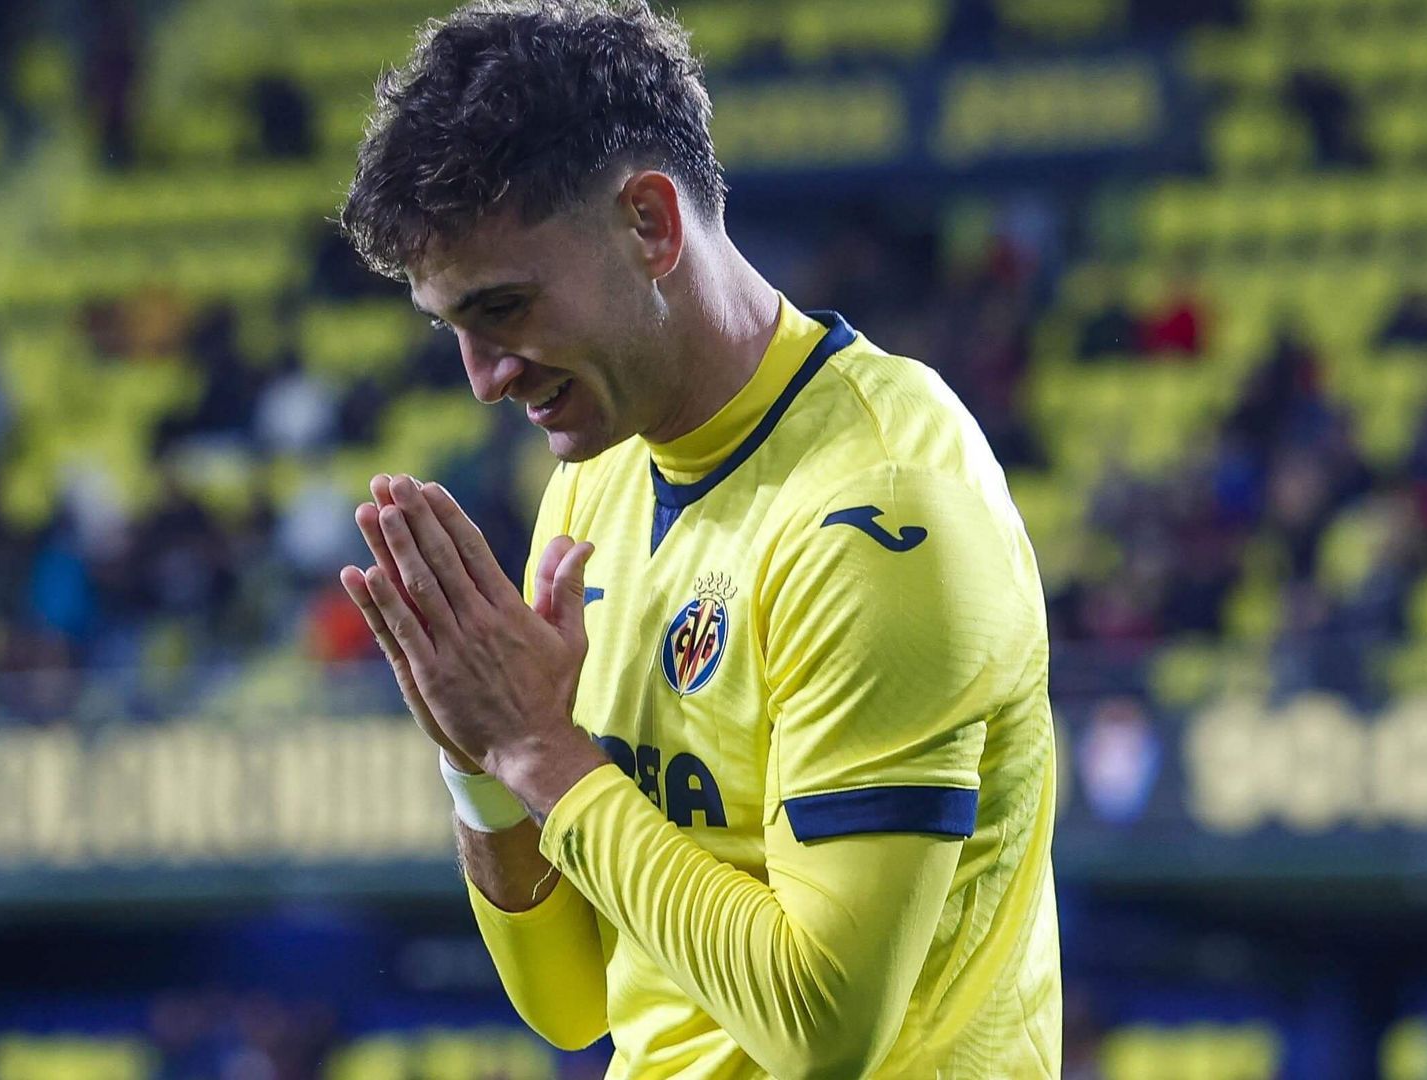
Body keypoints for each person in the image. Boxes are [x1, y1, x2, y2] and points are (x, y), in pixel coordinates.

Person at [335, 2, 1060, 1076]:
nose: (483, 380)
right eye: (455, 330)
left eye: (506, 308)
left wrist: (542, 754)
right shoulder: (591, 490)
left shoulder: (880, 513)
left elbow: (823, 1030)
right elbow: (574, 1003)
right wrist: (481, 768)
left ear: (650, 224)